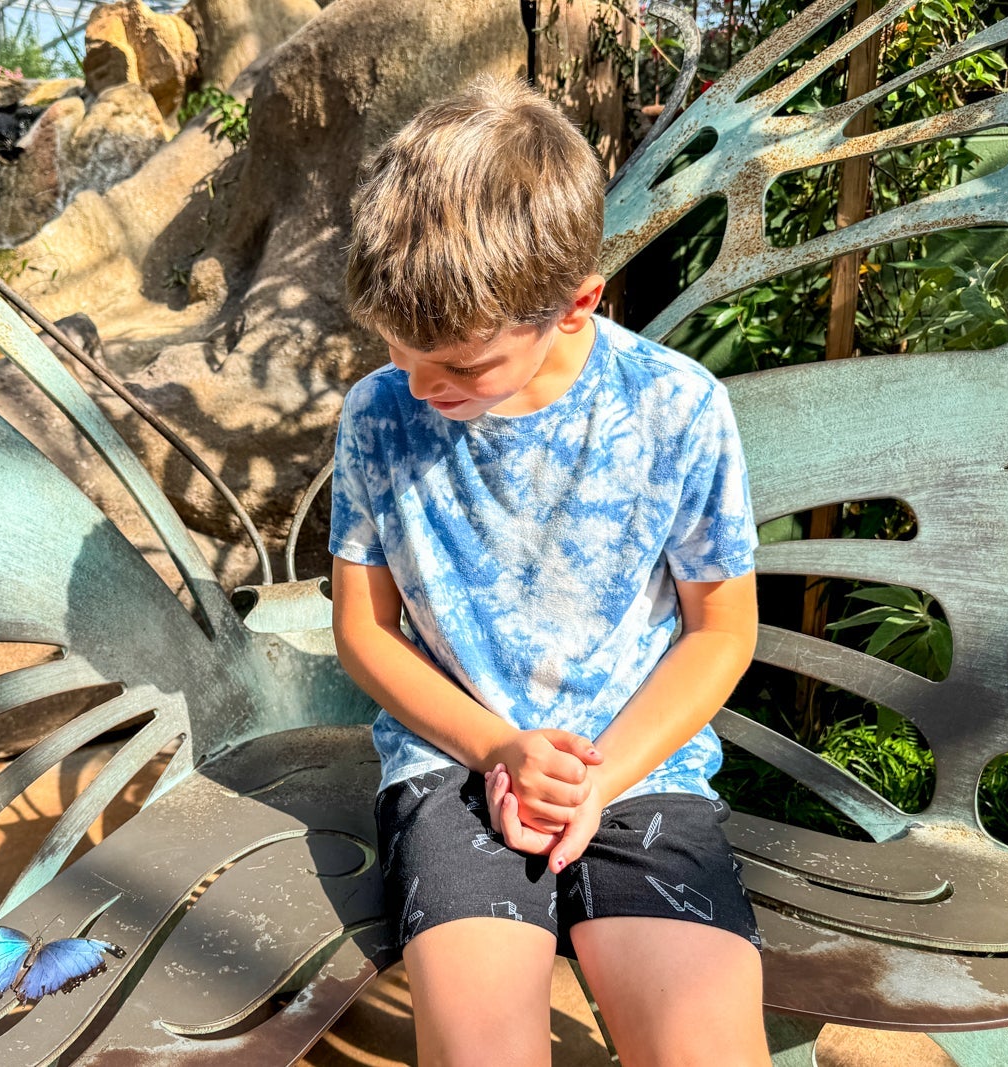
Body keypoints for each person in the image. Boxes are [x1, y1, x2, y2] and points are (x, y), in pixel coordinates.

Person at [328, 75, 770, 1067]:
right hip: (452, 759)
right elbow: (363, 628)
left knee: (705, 1044)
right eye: (399, 350)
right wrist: (497, 747)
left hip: (641, 761)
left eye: (463, 366)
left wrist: (594, 776)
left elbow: (721, 629)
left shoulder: (675, 409)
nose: (421, 383)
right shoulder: (380, 412)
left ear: (576, 304)